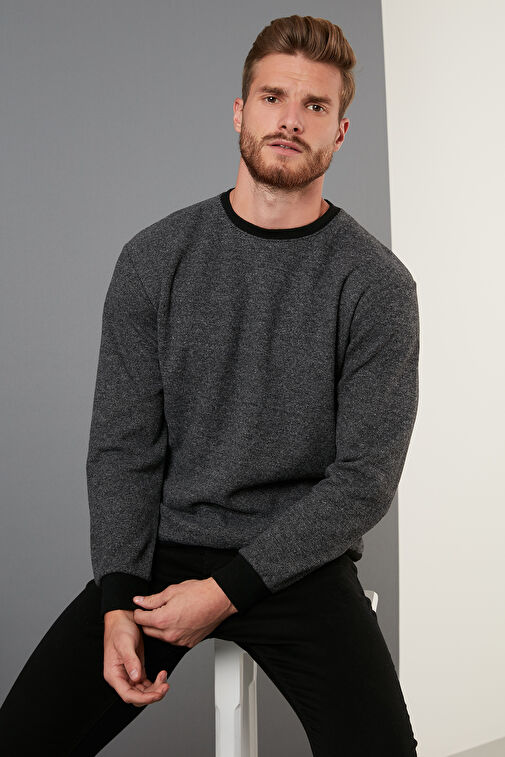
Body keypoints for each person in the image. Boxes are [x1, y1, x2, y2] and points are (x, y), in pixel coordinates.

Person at [0, 14, 420, 756]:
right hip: (165, 553)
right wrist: (115, 597)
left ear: (340, 131)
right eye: (272, 98)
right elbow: (122, 447)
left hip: (298, 561)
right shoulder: (155, 258)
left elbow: (363, 482)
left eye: (315, 106)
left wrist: (226, 592)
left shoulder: (376, 286)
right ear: (238, 111)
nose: (290, 121)